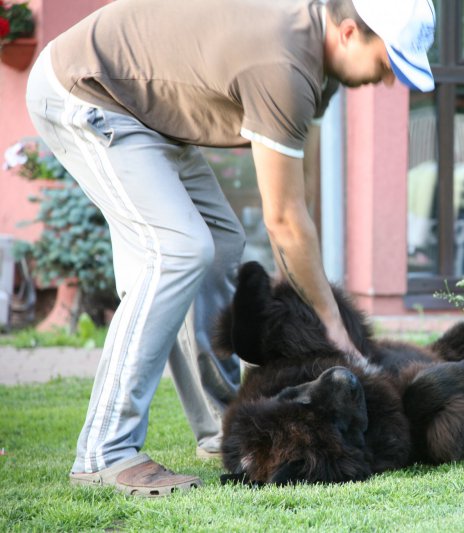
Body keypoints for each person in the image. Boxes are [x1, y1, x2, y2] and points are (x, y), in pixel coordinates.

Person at [25, 0, 435, 497]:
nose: (387, 81)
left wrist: (303, 318)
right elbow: (283, 218)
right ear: (349, 32)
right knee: (178, 250)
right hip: (86, 91)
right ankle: (104, 451)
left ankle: (220, 422)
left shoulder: (316, 66)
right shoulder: (283, 63)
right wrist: (332, 326)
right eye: (387, 64)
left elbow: (291, 198)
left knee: (220, 245)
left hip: (150, 117)